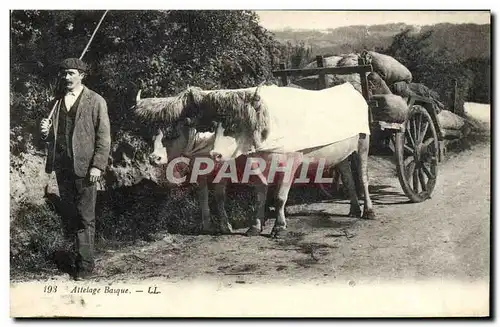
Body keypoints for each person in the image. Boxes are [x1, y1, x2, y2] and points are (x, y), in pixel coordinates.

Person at [40, 58, 111, 280]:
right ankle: (76, 257)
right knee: (71, 215)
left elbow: (104, 136)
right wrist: (44, 132)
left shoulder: (96, 101)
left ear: (82, 75)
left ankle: (85, 266)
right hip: (63, 168)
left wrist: (98, 165)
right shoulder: (56, 102)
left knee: (85, 217)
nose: (67, 77)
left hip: (86, 168)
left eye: (71, 73)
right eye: (64, 74)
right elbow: (52, 138)